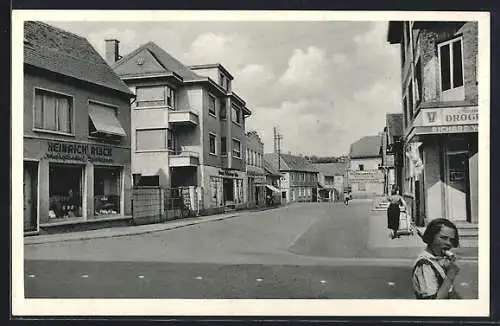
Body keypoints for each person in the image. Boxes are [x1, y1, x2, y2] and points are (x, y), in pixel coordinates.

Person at [412, 218, 461, 299]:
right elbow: (433, 303)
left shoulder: (437, 260)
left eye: (451, 240)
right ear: (431, 237)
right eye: (443, 238)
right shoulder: (425, 265)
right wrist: (451, 274)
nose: (448, 243)